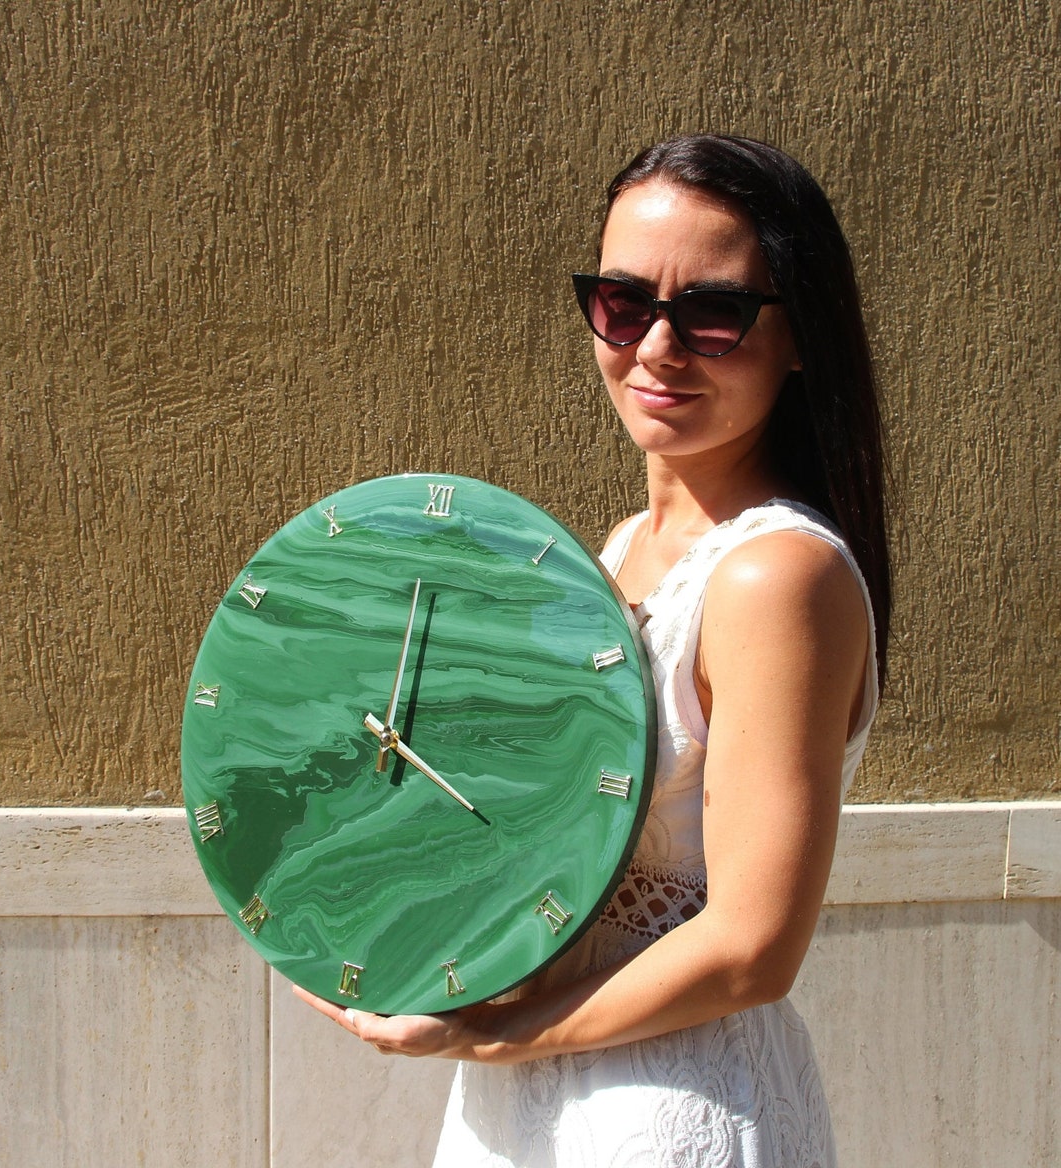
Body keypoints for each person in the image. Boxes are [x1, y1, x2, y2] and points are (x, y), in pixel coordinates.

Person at [296, 132, 890, 1167]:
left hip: (671, 1108)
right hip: (527, 1098)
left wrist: (486, 1030)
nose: (658, 347)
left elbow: (752, 947)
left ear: (799, 336)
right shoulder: (619, 549)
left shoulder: (775, 576)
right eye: (624, 303)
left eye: (713, 311)